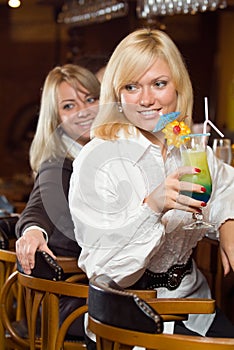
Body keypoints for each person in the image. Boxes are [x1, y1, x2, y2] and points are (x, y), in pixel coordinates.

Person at [69, 28, 234, 339]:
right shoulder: (97, 159)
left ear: (177, 87)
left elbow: (226, 187)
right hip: (128, 316)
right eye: (132, 87)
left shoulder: (190, 149)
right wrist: (152, 207)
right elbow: (107, 271)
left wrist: (228, 223)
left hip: (194, 306)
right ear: (116, 95)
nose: (146, 99)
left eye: (159, 84)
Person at [15, 63, 100, 338]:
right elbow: (39, 204)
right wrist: (32, 231)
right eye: (68, 106)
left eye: (90, 99)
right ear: (55, 120)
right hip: (68, 302)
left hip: (82, 293)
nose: (83, 111)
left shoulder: (106, 154)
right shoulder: (59, 164)